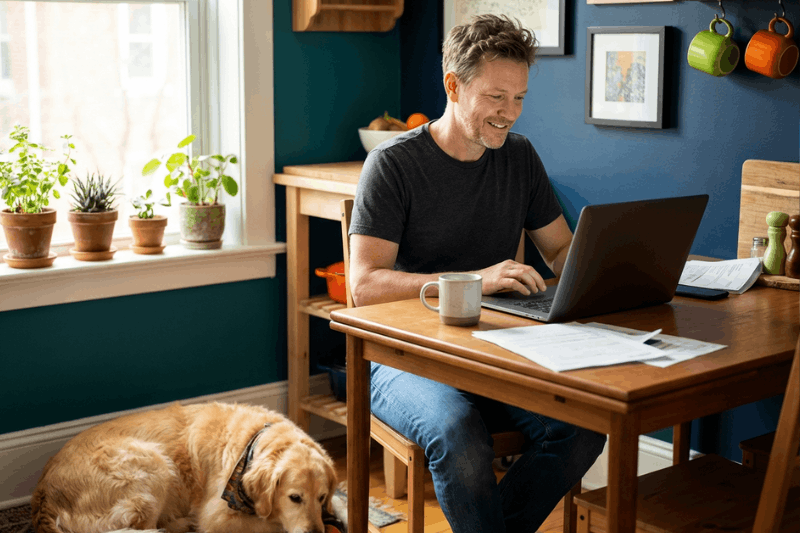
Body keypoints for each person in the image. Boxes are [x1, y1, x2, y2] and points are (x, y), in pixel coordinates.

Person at [347, 14, 607, 533]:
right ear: (453, 85)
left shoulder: (520, 157)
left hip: (491, 348)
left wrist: (604, 273)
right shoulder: (393, 165)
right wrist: (474, 280)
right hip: (403, 357)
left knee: (584, 428)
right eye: (496, 97)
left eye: (519, 98)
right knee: (458, 433)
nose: (509, 114)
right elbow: (363, 286)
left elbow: (560, 252)